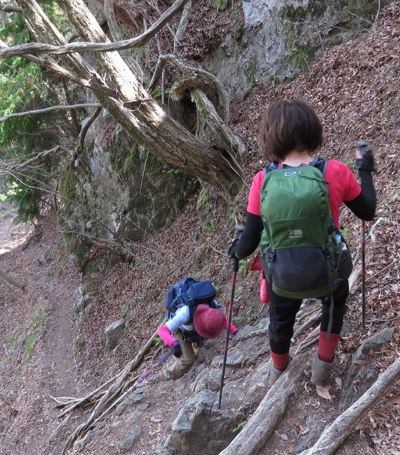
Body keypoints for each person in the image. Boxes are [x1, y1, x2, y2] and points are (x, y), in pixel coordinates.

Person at [229, 99, 376, 387]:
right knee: (334, 305)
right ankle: (322, 368)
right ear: (313, 131)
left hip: (282, 275)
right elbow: (368, 211)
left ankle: (278, 371)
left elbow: (247, 243)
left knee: (280, 319)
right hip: (327, 269)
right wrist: (365, 171)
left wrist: (235, 250)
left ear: (271, 138)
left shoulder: (263, 180)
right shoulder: (334, 171)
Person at [156, 279, 236, 379]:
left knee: (198, 346)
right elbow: (162, 331)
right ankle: (166, 375)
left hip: (193, 329)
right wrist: (174, 344)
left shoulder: (213, 307)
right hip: (181, 329)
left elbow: (223, 320)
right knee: (187, 360)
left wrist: (234, 331)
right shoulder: (184, 313)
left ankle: (195, 353)